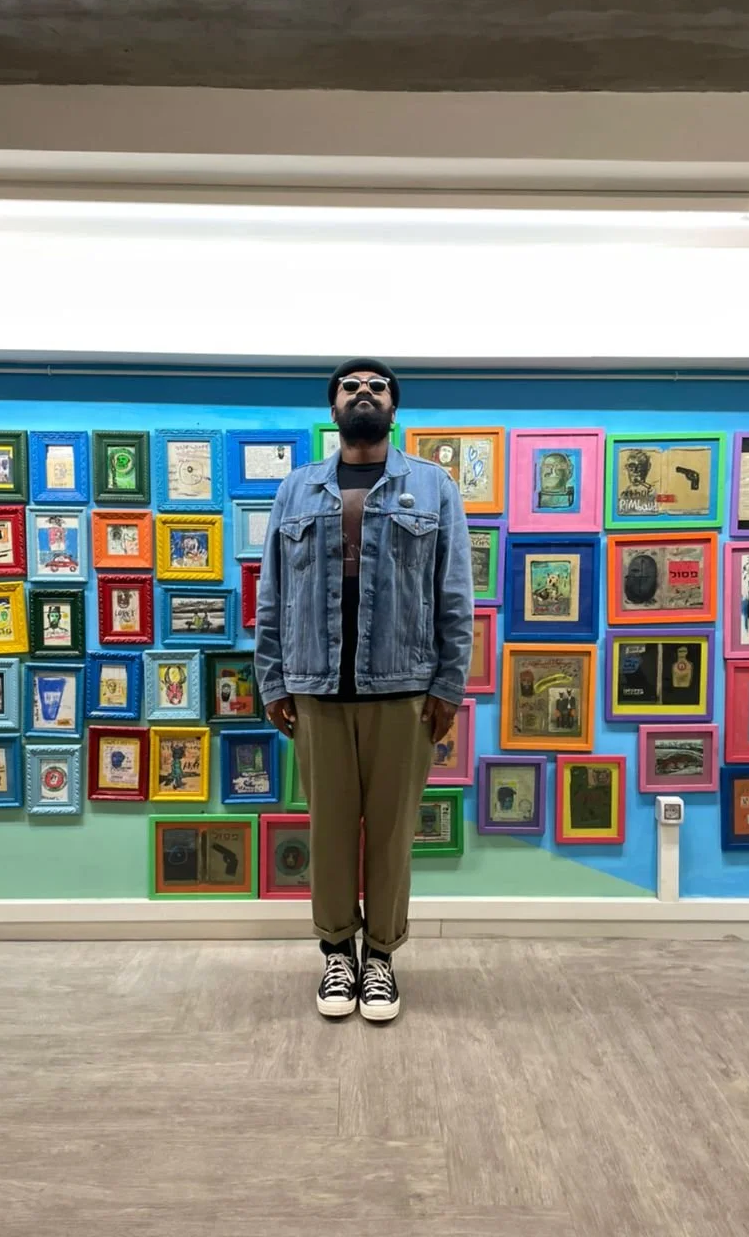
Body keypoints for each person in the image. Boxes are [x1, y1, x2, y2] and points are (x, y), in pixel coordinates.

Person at [255, 358, 472, 1023]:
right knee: (328, 835)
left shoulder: (433, 488)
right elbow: (272, 594)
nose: (363, 394)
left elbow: (454, 595)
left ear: (394, 409)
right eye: (350, 387)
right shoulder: (297, 491)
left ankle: (380, 959)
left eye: (377, 387)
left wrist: (448, 686)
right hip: (317, 692)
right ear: (333, 409)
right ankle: (336, 955)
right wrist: (271, 680)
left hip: (403, 693)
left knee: (392, 834)